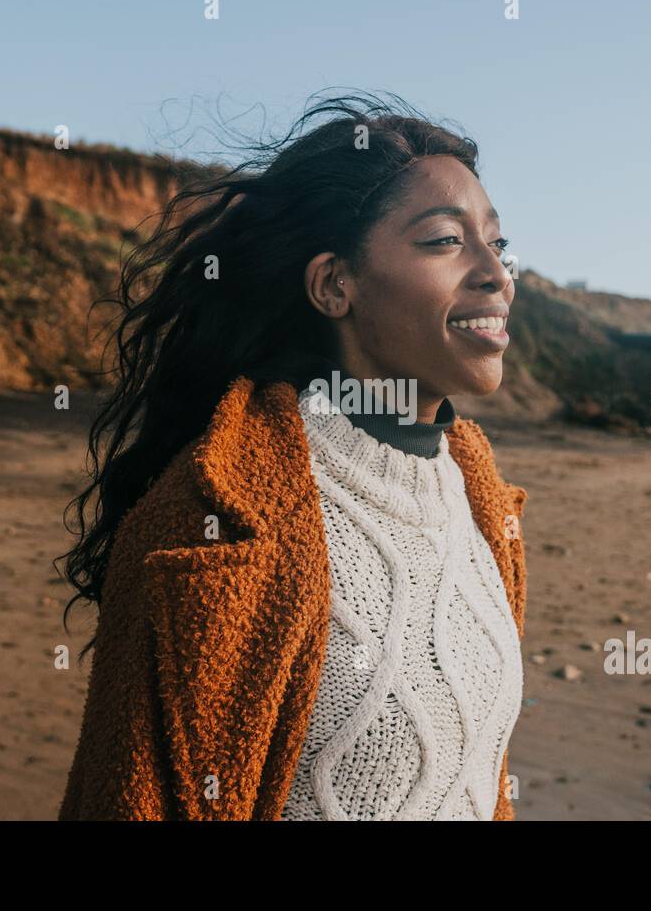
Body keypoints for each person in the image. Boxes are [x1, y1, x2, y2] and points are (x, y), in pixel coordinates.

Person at [56, 92, 528, 820]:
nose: (496, 273)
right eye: (444, 241)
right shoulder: (211, 519)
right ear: (335, 284)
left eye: (496, 244)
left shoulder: (481, 502)